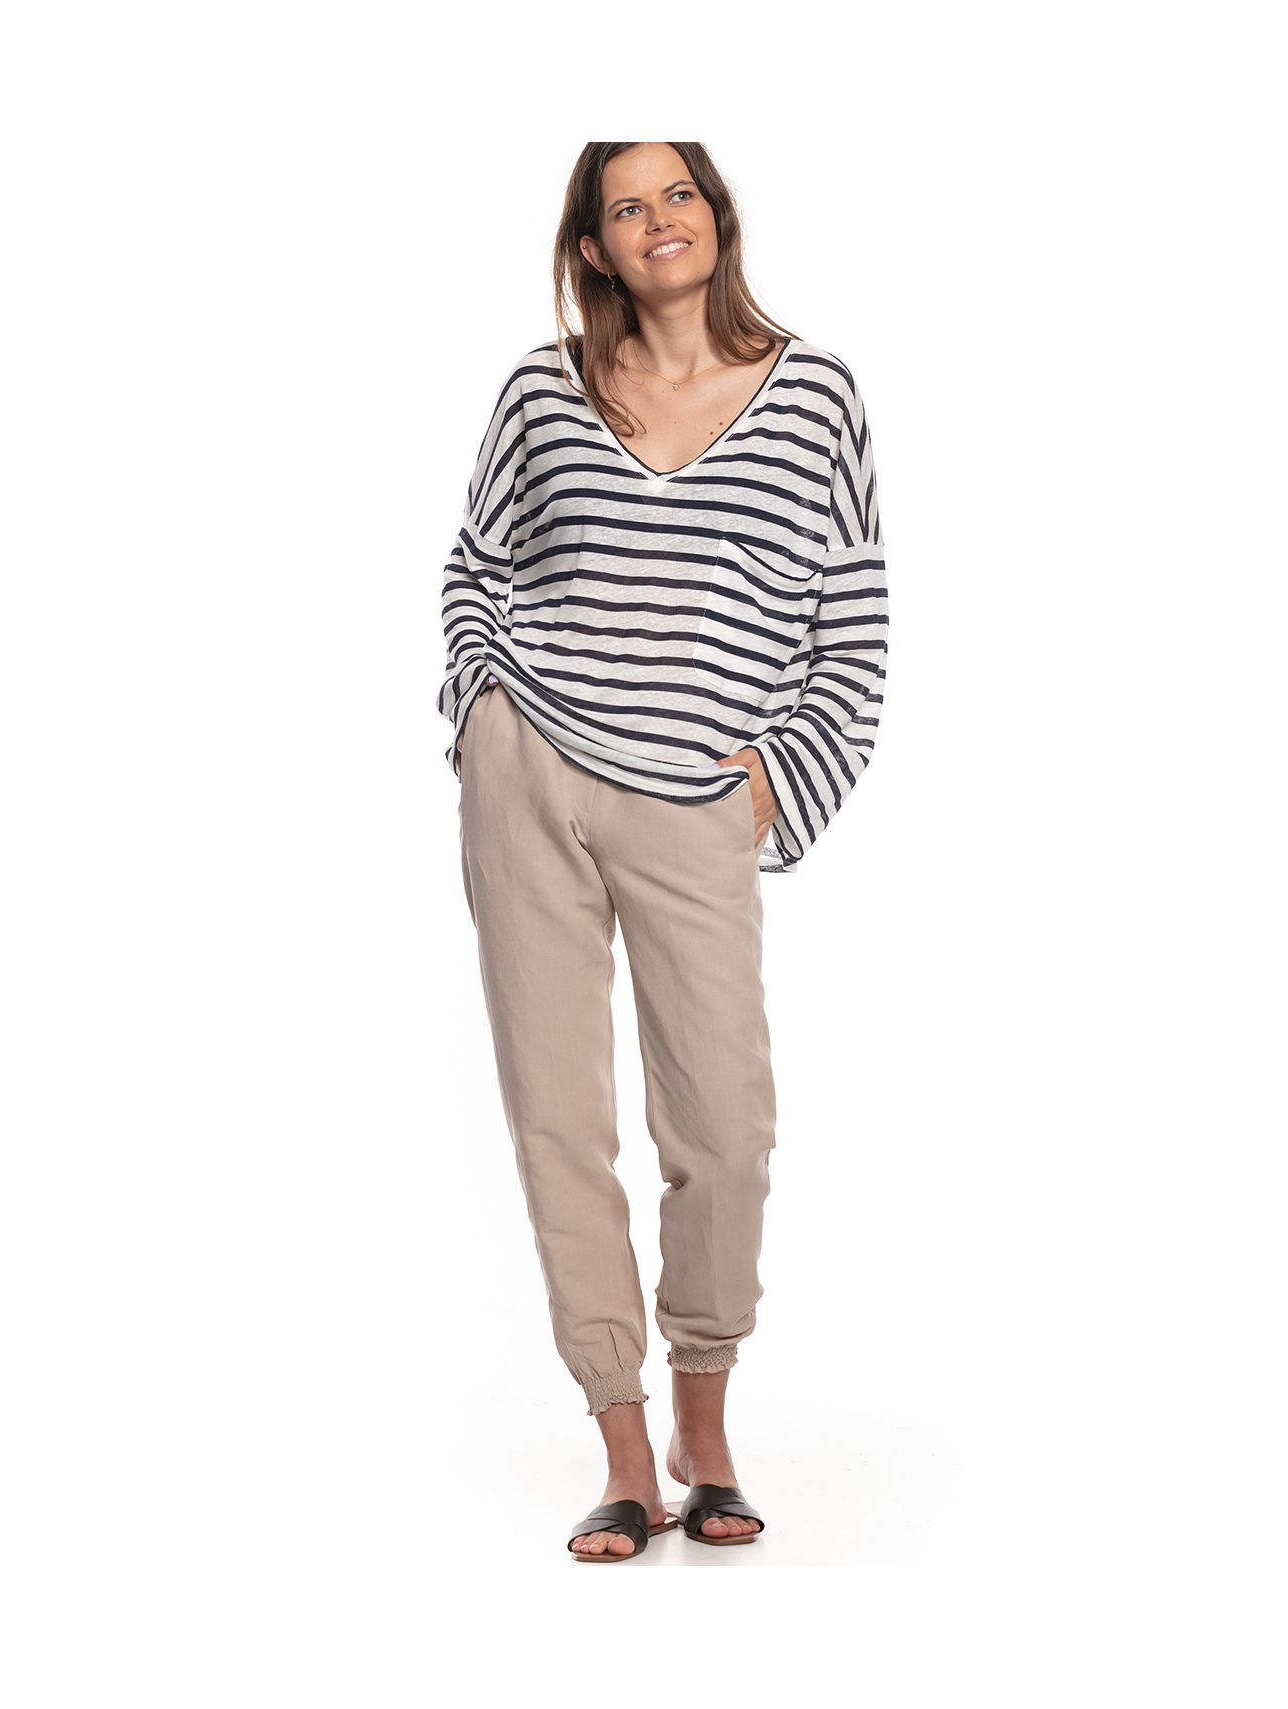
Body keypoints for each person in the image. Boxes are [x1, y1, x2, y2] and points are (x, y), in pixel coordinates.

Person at [440, 142, 889, 1560]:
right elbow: (475, 565)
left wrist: (772, 789)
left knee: (727, 1133)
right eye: (625, 206)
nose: (658, 221)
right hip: (532, 771)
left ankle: (706, 1415)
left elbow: (853, 628)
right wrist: (480, 708)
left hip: (700, 796)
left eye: (676, 193)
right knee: (559, 1121)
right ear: (594, 247)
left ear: (717, 213)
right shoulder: (544, 388)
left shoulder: (816, 396)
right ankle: (626, 1447)